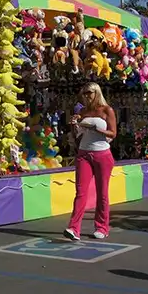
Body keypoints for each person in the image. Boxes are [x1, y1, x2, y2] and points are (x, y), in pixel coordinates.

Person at [64, 82, 116, 241]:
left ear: (96, 93)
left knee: (102, 192)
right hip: (84, 153)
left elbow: (113, 133)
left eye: (89, 93)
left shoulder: (107, 110)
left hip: (102, 154)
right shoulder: (83, 112)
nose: (86, 96)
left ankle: (102, 227)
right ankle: (74, 228)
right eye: (84, 93)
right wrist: (74, 125)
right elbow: (77, 136)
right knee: (80, 192)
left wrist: (97, 130)